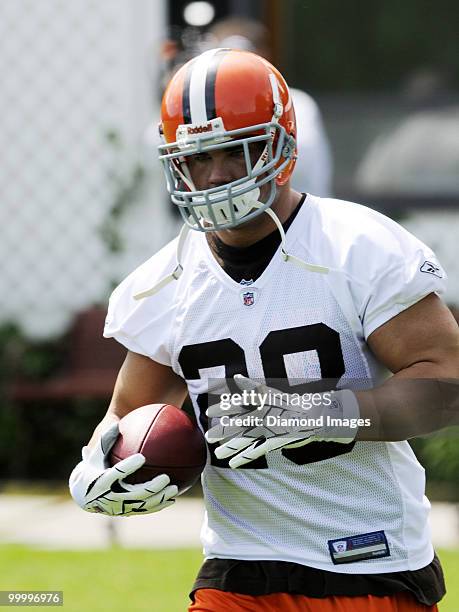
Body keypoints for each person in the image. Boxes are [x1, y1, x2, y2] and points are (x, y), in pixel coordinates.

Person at [69, 48, 459, 611]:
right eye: (197, 157)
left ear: (281, 145)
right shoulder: (161, 284)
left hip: (371, 561)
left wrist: (326, 412)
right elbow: (129, 415)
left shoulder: (357, 246)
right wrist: (98, 467)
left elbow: (446, 385)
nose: (217, 174)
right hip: (239, 567)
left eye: (235, 149)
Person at [205, 16, 333, 198]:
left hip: (298, 218)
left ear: (262, 55)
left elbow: (299, 161)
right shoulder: (205, 112)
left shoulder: (297, 102)